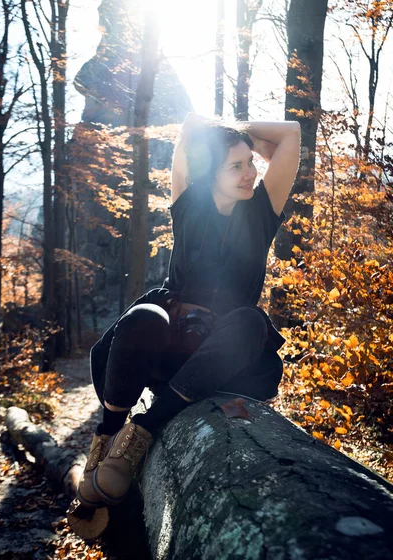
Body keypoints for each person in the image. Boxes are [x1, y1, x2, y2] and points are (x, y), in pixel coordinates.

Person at [77, 112, 301, 508]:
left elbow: (291, 134)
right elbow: (190, 127)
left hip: (224, 353)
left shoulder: (262, 210)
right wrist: (220, 137)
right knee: (142, 316)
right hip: (170, 343)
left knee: (251, 321)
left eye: (250, 162)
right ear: (208, 171)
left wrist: (237, 134)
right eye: (236, 166)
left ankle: (142, 432)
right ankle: (108, 435)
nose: (250, 172)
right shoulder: (187, 202)